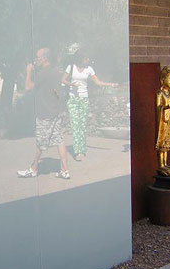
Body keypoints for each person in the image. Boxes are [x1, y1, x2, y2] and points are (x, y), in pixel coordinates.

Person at [17, 47, 70, 179]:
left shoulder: (43, 73)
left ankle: (33, 169)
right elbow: (57, 92)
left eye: (38, 57)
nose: (36, 60)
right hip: (55, 112)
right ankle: (65, 170)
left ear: (45, 58)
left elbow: (28, 87)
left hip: (44, 113)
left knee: (41, 142)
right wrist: (59, 107)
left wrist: (28, 71)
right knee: (59, 140)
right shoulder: (56, 72)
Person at [61, 51, 118, 160]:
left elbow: (98, 82)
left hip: (84, 99)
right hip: (72, 99)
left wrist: (111, 84)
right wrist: (71, 84)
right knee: (75, 125)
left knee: (82, 125)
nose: (88, 60)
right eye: (86, 58)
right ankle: (77, 151)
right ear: (81, 58)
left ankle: (81, 151)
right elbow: (63, 80)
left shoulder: (89, 69)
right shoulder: (71, 67)